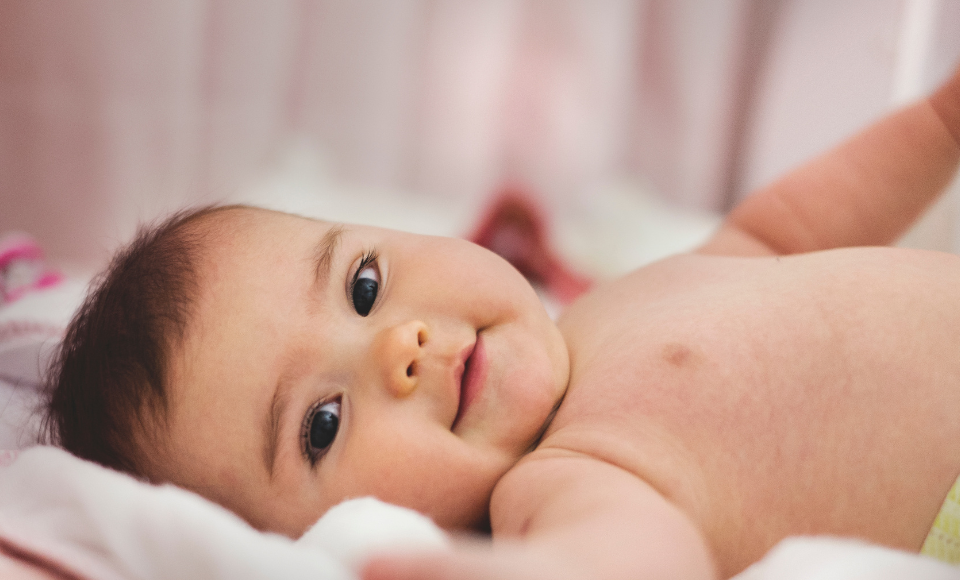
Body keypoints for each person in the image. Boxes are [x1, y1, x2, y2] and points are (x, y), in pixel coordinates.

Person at [43, 60, 960, 580]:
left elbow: (780, 230)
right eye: (321, 426)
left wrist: (937, 124)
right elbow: (639, 562)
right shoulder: (556, 482)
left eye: (364, 286)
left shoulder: (605, 309)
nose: (398, 350)